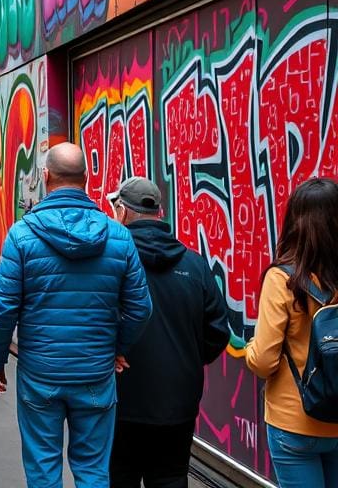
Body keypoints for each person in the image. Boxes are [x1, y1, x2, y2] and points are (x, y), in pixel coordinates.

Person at [0, 143, 152, 488]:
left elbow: (3, 308)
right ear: (86, 179)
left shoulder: (22, 235)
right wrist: (117, 347)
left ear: (45, 176)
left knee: (43, 466)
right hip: (95, 371)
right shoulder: (118, 236)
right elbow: (140, 307)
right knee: (93, 469)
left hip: (40, 372)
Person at [108, 177, 230, 488]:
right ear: (160, 213)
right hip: (177, 401)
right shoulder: (194, 264)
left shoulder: (110, 264)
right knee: (171, 477)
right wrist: (186, 357)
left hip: (119, 399)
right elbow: (217, 330)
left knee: (120, 476)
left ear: (122, 212)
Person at [246, 178, 338, 488]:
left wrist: (250, 349)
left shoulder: (283, 278)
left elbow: (263, 361)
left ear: (295, 222)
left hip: (294, 420)